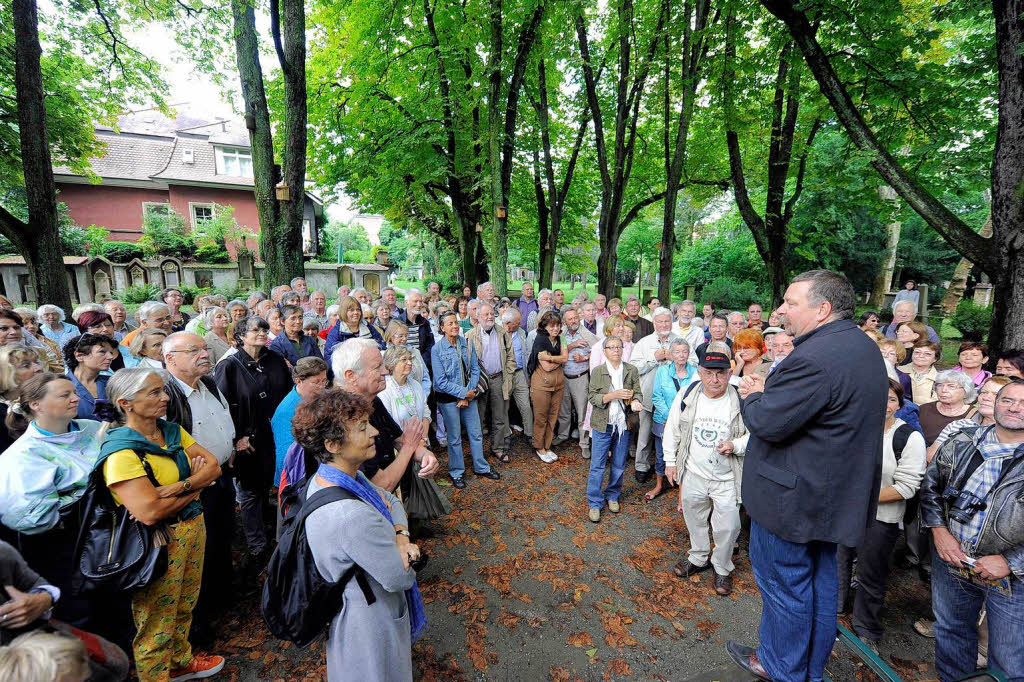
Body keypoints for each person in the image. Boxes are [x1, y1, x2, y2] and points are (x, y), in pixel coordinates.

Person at [727, 270, 888, 682]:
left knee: (786, 588)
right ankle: (807, 668)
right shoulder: (861, 347)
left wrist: (754, 395)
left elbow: (769, 423)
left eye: (790, 303)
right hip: (829, 498)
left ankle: (780, 666)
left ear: (822, 309)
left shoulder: (815, 358)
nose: (780, 310)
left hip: (792, 501)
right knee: (818, 584)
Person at [99, 368, 223, 682]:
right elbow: (150, 512)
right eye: (154, 393)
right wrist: (196, 487)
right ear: (126, 403)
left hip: (192, 527)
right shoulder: (121, 453)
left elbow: (213, 466)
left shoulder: (171, 431)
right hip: (157, 540)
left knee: (184, 602)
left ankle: (180, 661)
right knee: (155, 617)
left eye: (162, 390)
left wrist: (180, 487)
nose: (165, 398)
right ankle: (155, 675)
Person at [293, 389, 426, 681]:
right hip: (368, 620)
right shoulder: (349, 515)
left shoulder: (338, 477)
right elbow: (398, 577)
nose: (375, 431)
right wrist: (404, 548)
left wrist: (400, 535)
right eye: (363, 427)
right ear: (332, 444)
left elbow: (389, 500)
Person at [920, 381, 1024, 681]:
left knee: (1008, 654)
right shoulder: (963, 440)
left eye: (1022, 402)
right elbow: (931, 488)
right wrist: (940, 532)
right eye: (1007, 400)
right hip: (952, 559)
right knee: (951, 631)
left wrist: (1010, 561)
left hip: (1011, 577)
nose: (1014, 407)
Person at [0, 373, 109, 628]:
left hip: (108, 539)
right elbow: (30, 518)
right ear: (36, 405)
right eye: (65, 395)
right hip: (66, 549)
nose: (75, 399)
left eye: (74, 392)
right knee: (82, 612)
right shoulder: (23, 456)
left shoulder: (91, 429)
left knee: (112, 605)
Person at [160, 332, 240, 646]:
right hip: (194, 487)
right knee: (196, 554)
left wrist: (230, 444)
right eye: (193, 350)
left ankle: (221, 602)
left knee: (221, 540)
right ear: (170, 358)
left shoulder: (208, 383)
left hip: (220, 478)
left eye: (204, 349)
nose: (203, 354)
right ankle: (197, 621)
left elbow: (220, 419)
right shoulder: (166, 395)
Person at [836, 379, 926, 651]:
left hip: (880, 518)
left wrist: (859, 496)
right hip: (844, 513)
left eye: (891, 399)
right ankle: (834, 611)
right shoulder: (853, 429)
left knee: (870, 573)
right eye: (878, 397)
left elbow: (907, 486)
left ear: (899, 404)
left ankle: (867, 629)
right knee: (837, 563)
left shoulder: (908, 437)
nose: (884, 404)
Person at [663, 344, 748, 596]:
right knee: (695, 518)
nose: (715, 379)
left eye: (721, 373)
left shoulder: (740, 398)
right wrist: (670, 461)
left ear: (729, 373)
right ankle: (699, 556)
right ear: (699, 372)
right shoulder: (689, 394)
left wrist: (735, 445)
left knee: (728, 526)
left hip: (727, 478)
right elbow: (673, 429)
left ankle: (722, 566)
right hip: (694, 473)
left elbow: (756, 434)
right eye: (709, 373)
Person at [214, 316, 293, 566]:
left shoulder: (275, 361)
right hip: (248, 438)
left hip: (277, 434)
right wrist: (236, 438)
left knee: (279, 483)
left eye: (264, 329)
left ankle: (280, 536)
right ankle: (257, 545)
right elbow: (222, 406)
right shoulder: (229, 366)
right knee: (251, 492)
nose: (261, 333)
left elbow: (288, 393)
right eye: (255, 330)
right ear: (240, 335)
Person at [333, 338, 439, 495]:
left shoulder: (372, 399)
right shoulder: (343, 418)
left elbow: (399, 438)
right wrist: (409, 448)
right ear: (351, 376)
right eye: (377, 367)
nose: (385, 371)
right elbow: (381, 485)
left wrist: (425, 455)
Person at [431, 312, 498, 486]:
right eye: (450, 323)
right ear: (442, 327)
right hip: (448, 400)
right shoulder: (437, 350)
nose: (454, 326)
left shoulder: (466, 343)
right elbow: (440, 382)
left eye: (456, 322)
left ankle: (481, 467)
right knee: (454, 437)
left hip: (469, 397)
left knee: (476, 434)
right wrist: (462, 394)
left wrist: (469, 394)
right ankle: (457, 472)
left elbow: (475, 369)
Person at [585, 335, 641, 522]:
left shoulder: (631, 370)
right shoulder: (598, 371)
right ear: (605, 351)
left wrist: (636, 402)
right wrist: (613, 395)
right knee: (597, 465)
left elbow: (638, 393)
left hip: (623, 425)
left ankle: (612, 495)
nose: (616, 350)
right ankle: (594, 502)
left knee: (618, 464)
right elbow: (593, 398)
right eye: (612, 347)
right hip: (603, 424)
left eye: (619, 347)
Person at [630, 308, 680, 482]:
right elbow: (634, 368)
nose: (664, 324)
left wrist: (676, 358)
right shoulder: (644, 343)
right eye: (660, 321)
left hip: (674, 399)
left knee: (674, 433)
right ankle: (641, 466)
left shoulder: (680, 341)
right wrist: (654, 359)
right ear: (654, 323)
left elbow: (693, 364)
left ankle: (671, 469)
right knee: (645, 433)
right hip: (649, 395)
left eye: (667, 321)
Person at [466, 303, 516, 463]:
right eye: (486, 314)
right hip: (479, 381)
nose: (489, 317)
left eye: (491, 314)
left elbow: (511, 356)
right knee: (478, 418)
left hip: (498, 379)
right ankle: (478, 453)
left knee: (499, 417)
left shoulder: (502, 333)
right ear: (478, 316)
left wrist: (508, 374)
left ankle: (498, 448)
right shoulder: (470, 336)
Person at [648, 340, 697, 500]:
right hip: (663, 419)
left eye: (684, 351)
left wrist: (682, 418)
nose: (681, 355)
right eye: (677, 351)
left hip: (688, 421)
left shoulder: (696, 372)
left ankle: (682, 493)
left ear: (688, 353)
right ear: (671, 354)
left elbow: (696, 397)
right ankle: (659, 485)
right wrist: (671, 417)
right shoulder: (662, 371)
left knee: (685, 453)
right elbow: (656, 396)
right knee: (662, 453)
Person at [271, 357, 329, 487]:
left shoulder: (322, 396)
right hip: (299, 479)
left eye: (324, 381)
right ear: (299, 381)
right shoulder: (286, 412)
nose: (321, 387)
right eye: (316, 382)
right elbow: (286, 456)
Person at [554, 307, 598, 458]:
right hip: (563, 376)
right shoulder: (561, 334)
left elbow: (599, 350)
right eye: (569, 319)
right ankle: (562, 435)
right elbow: (555, 352)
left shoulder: (586, 334)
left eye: (575, 318)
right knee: (564, 410)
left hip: (580, 377)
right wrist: (572, 345)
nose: (573, 321)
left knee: (582, 413)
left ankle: (584, 443)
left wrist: (585, 358)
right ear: (564, 321)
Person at [528, 310, 568, 463]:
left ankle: (547, 445)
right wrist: (557, 359)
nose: (555, 329)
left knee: (553, 416)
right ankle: (539, 447)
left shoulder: (562, 338)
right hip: (541, 385)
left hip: (558, 384)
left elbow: (566, 358)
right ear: (545, 326)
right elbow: (547, 367)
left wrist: (549, 357)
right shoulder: (540, 339)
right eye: (552, 326)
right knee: (541, 417)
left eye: (558, 325)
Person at [379, 346, 431, 440]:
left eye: (410, 359)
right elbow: (388, 424)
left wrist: (423, 438)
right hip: (399, 446)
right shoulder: (385, 390)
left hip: (422, 442)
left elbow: (426, 414)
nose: (410, 363)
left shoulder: (416, 385)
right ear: (392, 364)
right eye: (404, 360)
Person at [64, 334, 117, 421]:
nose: (110, 357)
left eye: (111, 352)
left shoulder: (112, 383)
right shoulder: (62, 386)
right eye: (102, 352)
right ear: (79, 356)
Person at [919, 370, 977, 445]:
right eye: (940, 385)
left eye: (951, 386)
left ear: (966, 392)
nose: (943, 390)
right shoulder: (924, 409)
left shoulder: (975, 415)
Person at [502, 309, 533, 443]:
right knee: (503, 406)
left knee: (525, 405)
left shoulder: (521, 333)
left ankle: (530, 434)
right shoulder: (498, 333)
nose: (520, 324)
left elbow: (526, 353)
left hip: (520, 373)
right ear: (508, 323)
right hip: (504, 375)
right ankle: (504, 434)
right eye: (517, 322)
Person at [324, 296, 384, 361]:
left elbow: (381, 346)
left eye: (358, 309)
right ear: (344, 312)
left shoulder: (368, 327)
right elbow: (329, 358)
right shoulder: (336, 332)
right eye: (352, 310)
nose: (356, 312)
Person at [383, 321, 431, 396]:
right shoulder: (384, 355)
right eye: (401, 336)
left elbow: (425, 377)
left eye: (406, 335)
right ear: (391, 336)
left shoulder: (415, 352)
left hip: (419, 396)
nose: (405, 339)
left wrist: (423, 395)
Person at [900, 341, 942, 405]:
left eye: (927, 354)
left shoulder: (940, 378)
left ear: (935, 358)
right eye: (917, 352)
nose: (921, 356)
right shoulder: (898, 371)